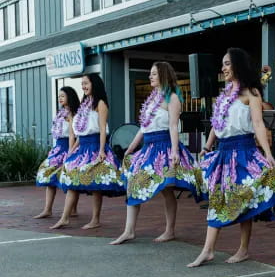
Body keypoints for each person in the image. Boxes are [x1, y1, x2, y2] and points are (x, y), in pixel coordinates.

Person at [188, 47, 275, 267]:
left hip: (244, 151)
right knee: (217, 198)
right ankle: (208, 249)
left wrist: (268, 153)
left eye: (227, 64)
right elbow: (216, 123)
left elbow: (259, 124)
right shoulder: (223, 95)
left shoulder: (251, 93)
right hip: (223, 152)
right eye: (222, 64)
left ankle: (242, 249)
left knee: (245, 199)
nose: (223, 68)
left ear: (238, 65)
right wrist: (207, 146)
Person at [110, 62, 203, 245]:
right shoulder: (151, 100)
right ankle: (129, 230)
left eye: (153, 74)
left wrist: (175, 151)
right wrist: (130, 148)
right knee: (133, 182)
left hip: (164, 147)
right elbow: (143, 128)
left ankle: (169, 230)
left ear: (163, 75)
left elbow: (174, 126)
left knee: (167, 190)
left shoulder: (172, 98)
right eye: (150, 74)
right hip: (148, 148)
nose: (150, 77)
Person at [51, 74, 124, 229]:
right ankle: (65, 217)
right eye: (82, 84)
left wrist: (102, 150)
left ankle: (95, 219)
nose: (83, 86)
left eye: (86, 83)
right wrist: (73, 149)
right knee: (72, 179)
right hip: (82, 146)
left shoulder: (100, 103)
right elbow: (80, 131)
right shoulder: (84, 104)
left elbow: (103, 129)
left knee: (96, 183)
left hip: (95, 146)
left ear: (94, 84)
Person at [35, 87, 80, 218]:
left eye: (63, 96)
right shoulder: (60, 113)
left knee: (70, 178)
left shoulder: (72, 113)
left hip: (68, 147)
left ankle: (73, 209)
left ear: (69, 97)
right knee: (48, 175)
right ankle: (47, 209)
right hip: (58, 147)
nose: (60, 98)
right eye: (59, 96)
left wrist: (71, 153)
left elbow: (72, 135)